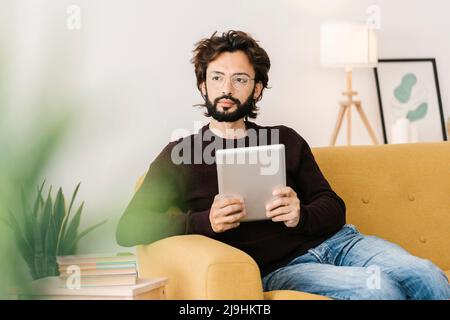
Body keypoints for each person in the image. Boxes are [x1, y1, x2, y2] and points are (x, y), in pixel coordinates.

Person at [116, 30, 450, 300]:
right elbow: (128, 228)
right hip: (281, 267)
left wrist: (300, 213)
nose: (226, 89)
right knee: (379, 290)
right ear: (203, 85)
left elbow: (334, 206)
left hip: (340, 242)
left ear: (257, 89)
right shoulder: (181, 155)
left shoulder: (286, 140)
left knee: (426, 274)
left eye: (240, 79)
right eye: (217, 78)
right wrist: (205, 222)